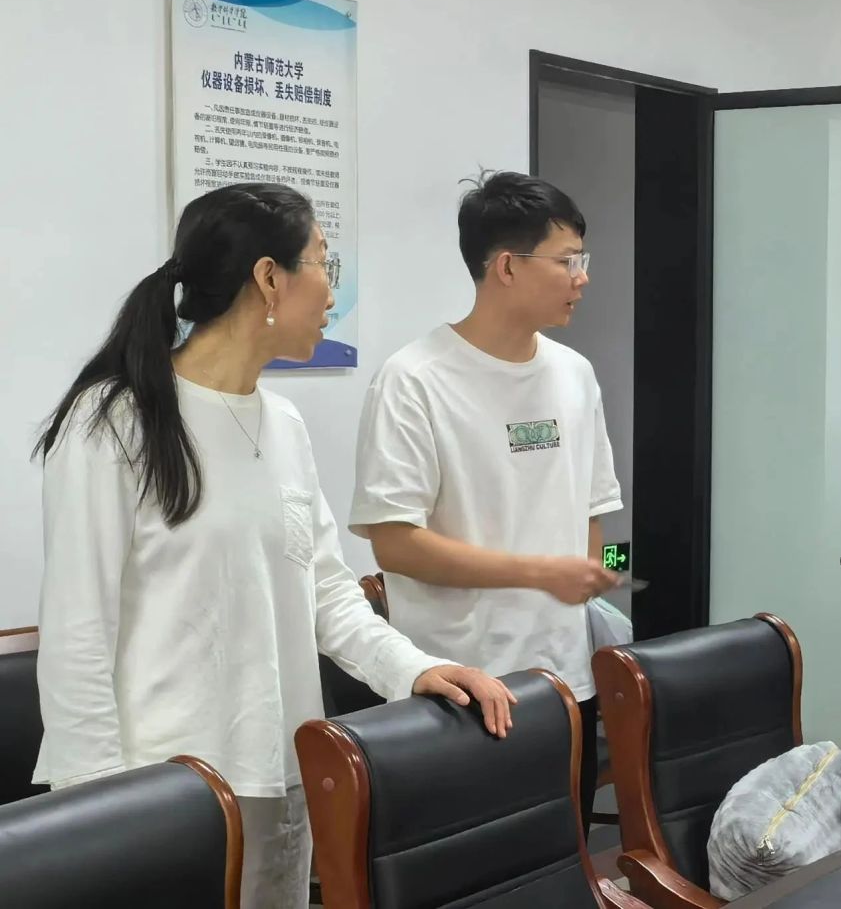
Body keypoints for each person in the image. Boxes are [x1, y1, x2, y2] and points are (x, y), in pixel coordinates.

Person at [33, 184, 515, 909]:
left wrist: (418, 669)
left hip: (280, 778)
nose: (332, 292)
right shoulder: (113, 423)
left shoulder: (283, 424)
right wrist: (102, 812)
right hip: (161, 795)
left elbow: (327, 595)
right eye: (323, 263)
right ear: (268, 278)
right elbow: (78, 635)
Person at [350, 171, 621, 819]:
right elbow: (395, 543)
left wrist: (596, 571)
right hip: (458, 689)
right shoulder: (414, 380)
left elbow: (593, 508)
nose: (583, 278)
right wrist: (540, 572)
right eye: (568, 261)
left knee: (565, 855)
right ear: (506, 266)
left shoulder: (575, 373)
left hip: (565, 682)